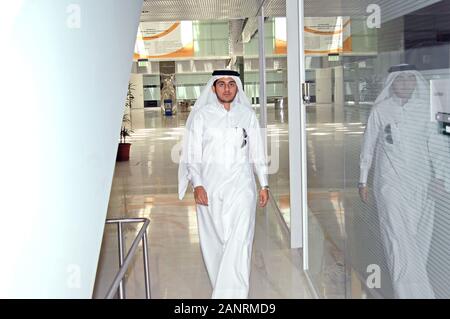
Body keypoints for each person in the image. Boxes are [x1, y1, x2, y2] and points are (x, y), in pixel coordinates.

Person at [359, 64, 448, 298]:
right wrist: (362, 180)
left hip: (421, 184)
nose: (406, 84)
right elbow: (368, 147)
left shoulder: (426, 109)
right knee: (399, 240)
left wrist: (440, 177)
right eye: (401, 80)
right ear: (393, 82)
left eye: (410, 79)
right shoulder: (381, 110)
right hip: (390, 184)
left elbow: (437, 145)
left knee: (417, 242)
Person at [178, 70, 269, 299]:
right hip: (210, 189)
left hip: (242, 187)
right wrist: (197, 184)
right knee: (215, 243)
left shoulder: (247, 115)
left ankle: (232, 299)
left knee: (240, 241)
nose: (227, 88)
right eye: (221, 84)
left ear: (237, 88)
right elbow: (192, 155)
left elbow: (257, 151)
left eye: (231, 84)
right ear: (213, 88)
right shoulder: (202, 117)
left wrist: (264, 184)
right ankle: (224, 289)